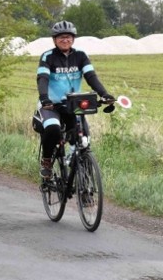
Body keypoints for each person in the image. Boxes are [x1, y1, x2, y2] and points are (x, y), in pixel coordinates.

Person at [35, 21, 114, 184]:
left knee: (83, 141)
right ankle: (47, 162)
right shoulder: (48, 56)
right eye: (61, 37)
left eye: (69, 37)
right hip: (52, 105)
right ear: (54, 40)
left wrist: (104, 94)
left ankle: (85, 186)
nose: (65, 40)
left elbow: (91, 77)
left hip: (73, 105)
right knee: (53, 129)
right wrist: (44, 97)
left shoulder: (81, 56)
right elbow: (42, 78)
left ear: (73, 39)